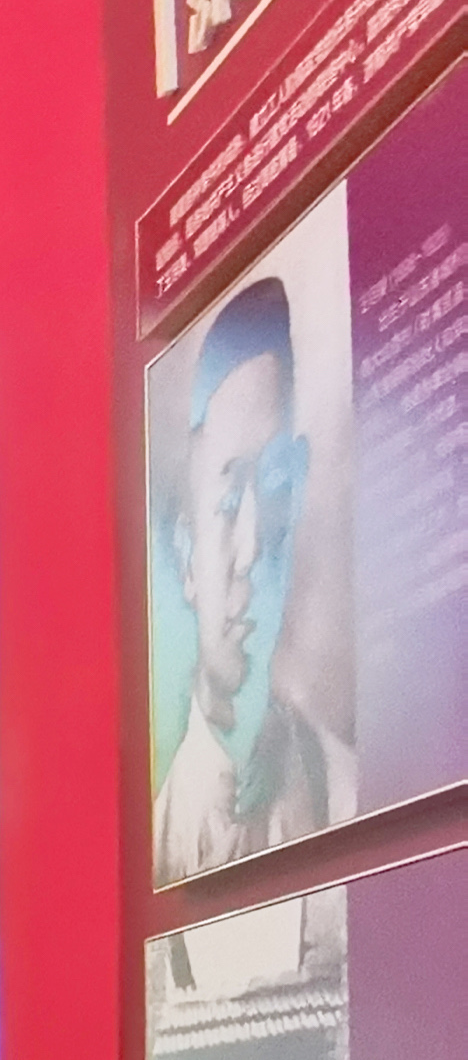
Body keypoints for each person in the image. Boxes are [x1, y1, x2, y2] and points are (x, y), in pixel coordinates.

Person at [155, 274, 357, 884]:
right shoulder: (159, 842)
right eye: (225, 504)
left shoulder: (348, 791)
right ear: (186, 558)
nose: (250, 550)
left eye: (273, 490)